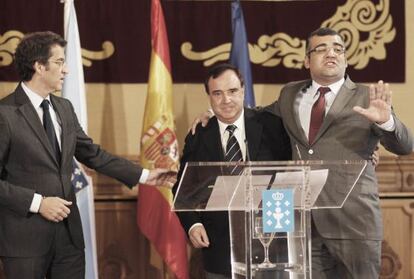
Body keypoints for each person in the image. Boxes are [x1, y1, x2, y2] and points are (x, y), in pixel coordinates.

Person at [193, 27, 413, 278]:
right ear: (307, 60)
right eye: (321, 49)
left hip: (354, 223)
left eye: (338, 49)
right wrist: (217, 114)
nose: (331, 53)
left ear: (346, 58)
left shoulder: (367, 96)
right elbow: (257, 116)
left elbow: (404, 146)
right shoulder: (290, 94)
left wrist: (387, 122)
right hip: (301, 224)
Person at [0, 31, 175, 279]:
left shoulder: (63, 108)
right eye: (59, 62)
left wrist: (146, 175)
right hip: (24, 240)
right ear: (39, 66)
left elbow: (93, 155)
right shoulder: (5, 114)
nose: (66, 70)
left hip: (68, 239)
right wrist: (39, 203)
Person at [174, 63, 291, 279]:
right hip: (220, 248)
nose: (226, 100)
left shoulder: (273, 125)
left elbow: (298, 162)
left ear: (244, 90)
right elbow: (182, 189)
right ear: (209, 96)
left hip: (272, 245)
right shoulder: (198, 136)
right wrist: (193, 224)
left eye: (232, 91)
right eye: (217, 93)